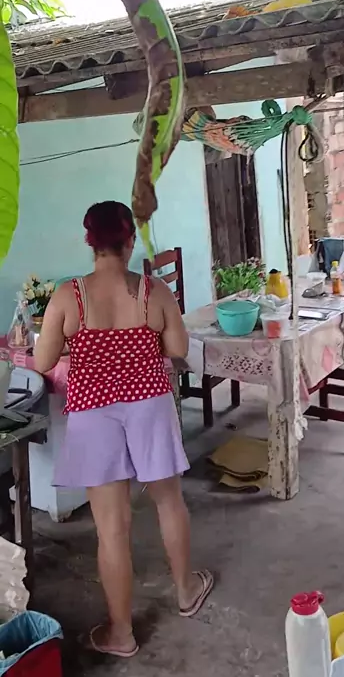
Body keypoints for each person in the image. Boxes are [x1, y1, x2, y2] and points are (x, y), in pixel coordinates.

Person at [34, 200, 213, 659]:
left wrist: (80, 347)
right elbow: (177, 347)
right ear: (130, 240)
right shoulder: (154, 291)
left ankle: (121, 632)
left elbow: (43, 360)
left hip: (94, 413)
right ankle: (186, 590)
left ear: (89, 241)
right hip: (149, 404)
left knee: (111, 529)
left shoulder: (68, 295)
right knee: (168, 501)